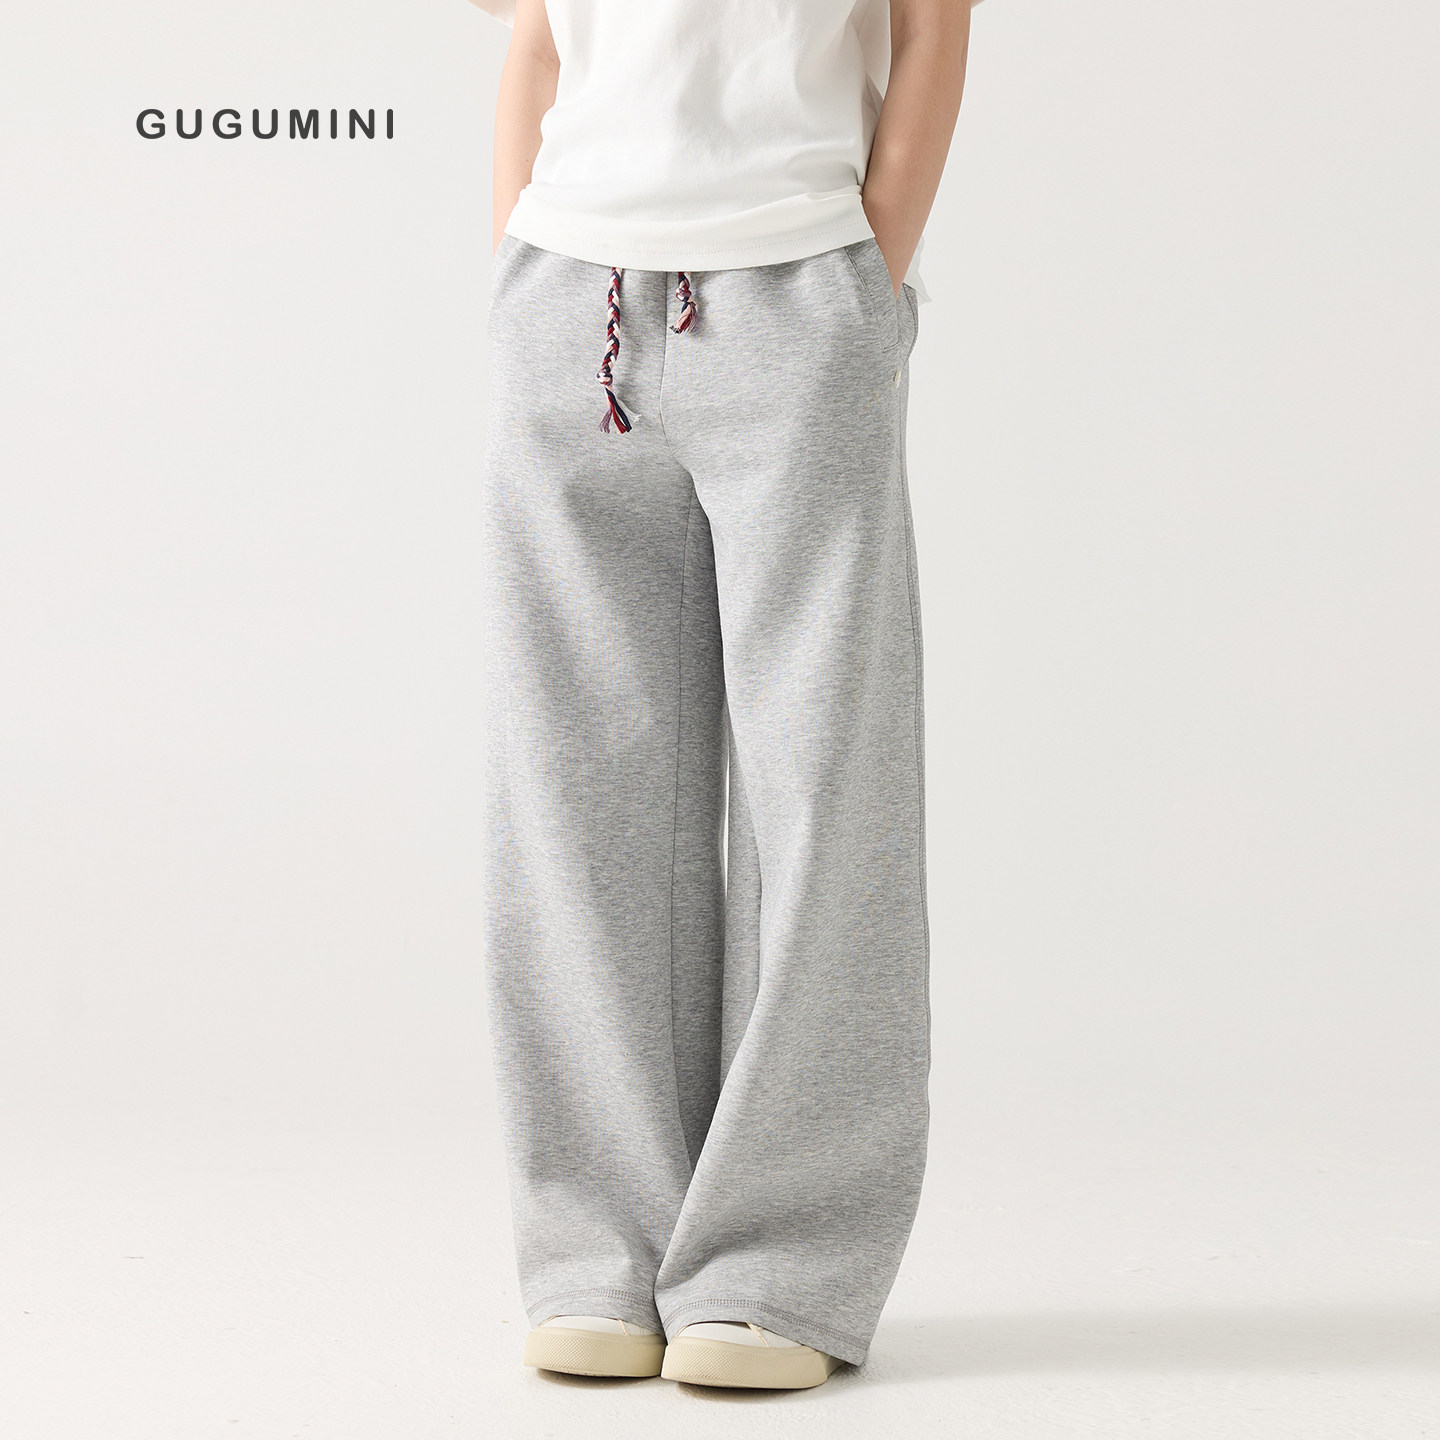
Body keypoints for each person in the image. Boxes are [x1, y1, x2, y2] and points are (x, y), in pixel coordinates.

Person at [469, 0, 974, 1391]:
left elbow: (935, 28)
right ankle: (597, 1255)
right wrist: (515, 261)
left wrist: (869, 273)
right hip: (567, 298)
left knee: (824, 787)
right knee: (573, 794)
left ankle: (780, 1266)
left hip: (799, 288)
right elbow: (536, 37)